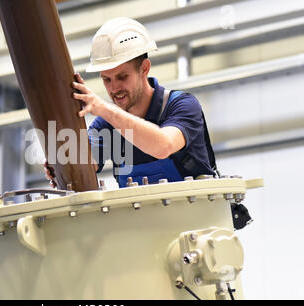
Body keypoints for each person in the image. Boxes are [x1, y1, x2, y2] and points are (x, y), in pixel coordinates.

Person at [45, 17, 216, 188]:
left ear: (144, 68)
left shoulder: (181, 106)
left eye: (122, 77)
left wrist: (106, 110)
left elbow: (164, 146)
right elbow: (87, 165)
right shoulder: (105, 125)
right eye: (106, 79)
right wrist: (62, 164)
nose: (114, 88)